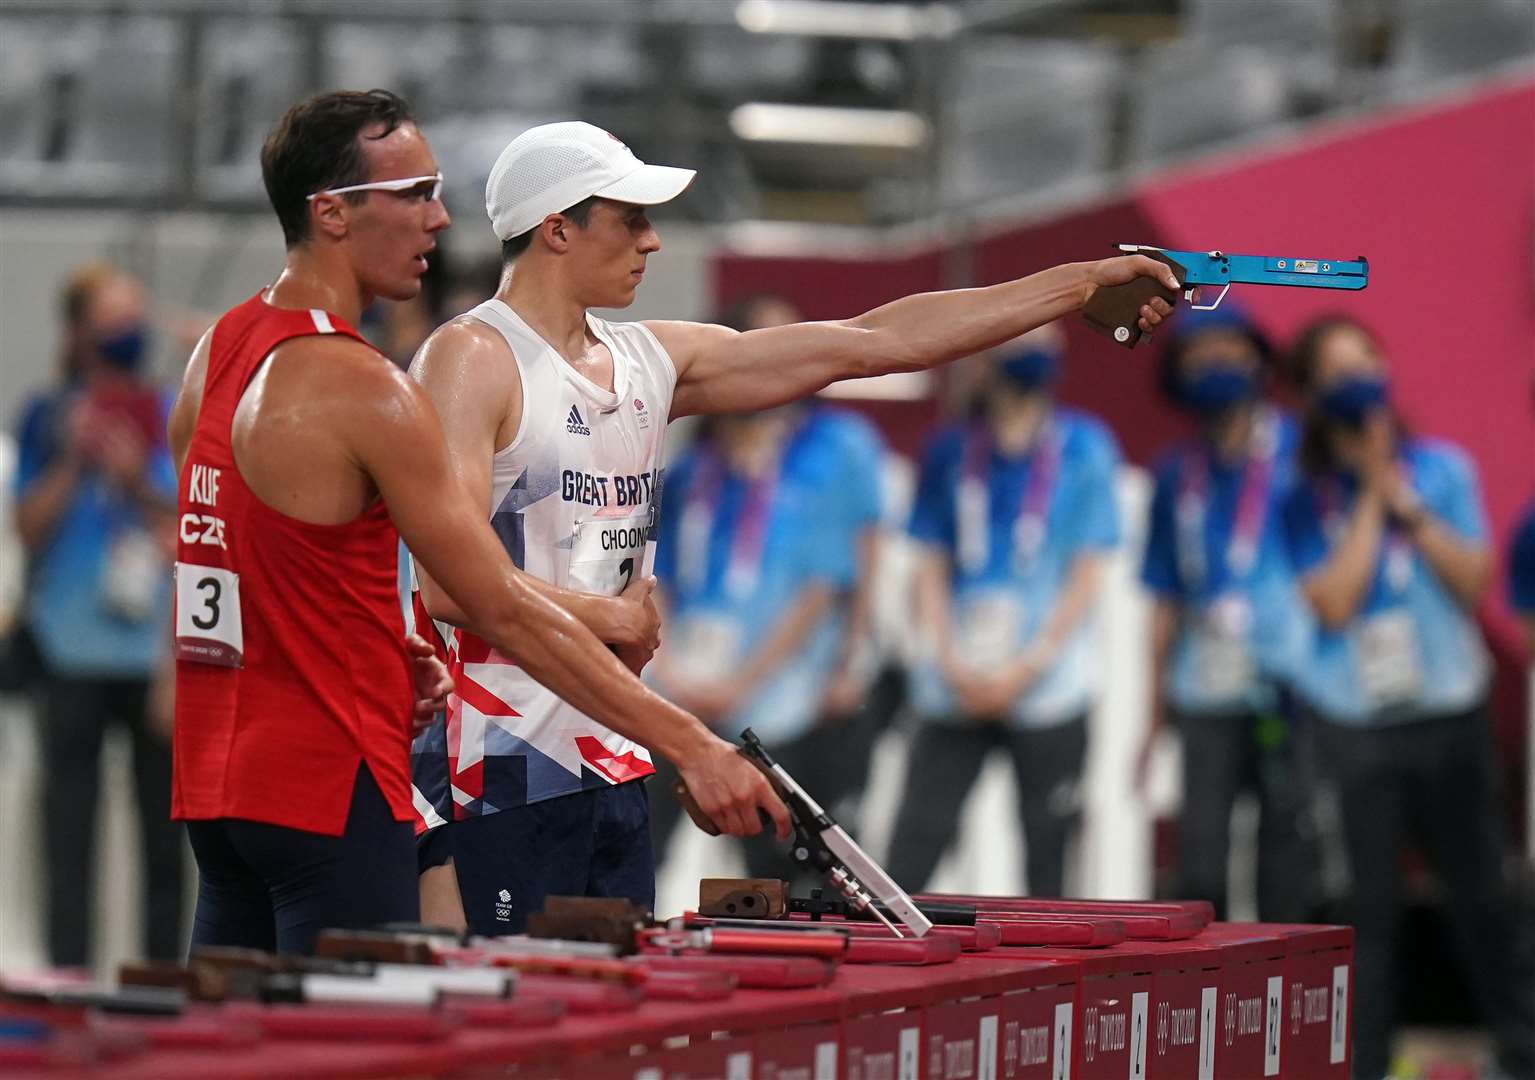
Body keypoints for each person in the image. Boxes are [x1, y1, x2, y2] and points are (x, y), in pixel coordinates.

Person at [406, 119, 1179, 935]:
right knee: (509, 1028)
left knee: (602, 1024)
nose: (653, 239)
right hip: (497, 760)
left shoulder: (646, 360)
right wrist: (611, 618)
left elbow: (874, 342)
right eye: (631, 217)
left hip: (611, 749)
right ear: (557, 227)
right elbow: (451, 580)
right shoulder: (471, 357)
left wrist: (1079, 283)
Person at [166, 90, 789, 956]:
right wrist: (690, 741)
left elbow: (243, 567)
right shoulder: (366, 384)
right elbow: (492, 603)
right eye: (416, 192)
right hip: (332, 786)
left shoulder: (219, 351)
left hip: (217, 788)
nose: (440, 218)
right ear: (332, 214)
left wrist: (384, 647)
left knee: (231, 1051)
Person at [1280, 315, 1533, 1080]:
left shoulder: (1443, 469)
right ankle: (1365, 1063)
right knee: (1369, 910)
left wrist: (1402, 498)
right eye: (1336, 370)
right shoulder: (1303, 498)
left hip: (1448, 714)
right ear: (1312, 392)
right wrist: (1364, 495)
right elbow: (1331, 602)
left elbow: (1471, 582)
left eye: (1367, 361)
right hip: (1357, 726)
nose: (1357, 379)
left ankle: (1522, 1052)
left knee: (1483, 898)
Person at [646, 294, 889, 878]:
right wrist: (673, 671)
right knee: (647, 844)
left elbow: (841, 571)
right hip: (687, 688)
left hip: (782, 694)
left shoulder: (825, 456)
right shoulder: (692, 467)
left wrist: (850, 656)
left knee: (780, 861)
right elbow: (658, 572)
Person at [882, 325, 1119, 897]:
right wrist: (946, 659)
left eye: (1044, 346)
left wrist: (1028, 666)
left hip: (1048, 685)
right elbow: (931, 563)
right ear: (983, 357)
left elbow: (1088, 572)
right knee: (915, 842)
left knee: (1047, 854)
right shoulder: (951, 447)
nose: (1029, 356)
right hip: (956, 683)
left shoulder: (1085, 445)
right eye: (1015, 342)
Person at [12, 262, 186, 966]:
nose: (129, 333)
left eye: (136, 318)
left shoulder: (172, 409)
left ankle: (161, 980)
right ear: (80, 332)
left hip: (154, 660)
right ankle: (66, 975)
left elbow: (188, 521)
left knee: (163, 836)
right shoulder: (46, 415)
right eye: (114, 320)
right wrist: (72, 462)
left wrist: (133, 478)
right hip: (69, 653)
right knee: (68, 831)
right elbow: (26, 528)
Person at [1134, 306, 1313, 921]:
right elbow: (1163, 597)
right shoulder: (1174, 471)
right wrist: (1151, 717)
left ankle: (1287, 1003)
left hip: (1286, 687)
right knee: (1200, 862)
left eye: (1227, 348)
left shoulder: (1300, 448)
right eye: (1197, 352)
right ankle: (1207, 999)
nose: (1214, 363)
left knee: (1286, 852)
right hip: (1204, 690)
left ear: (1258, 359)